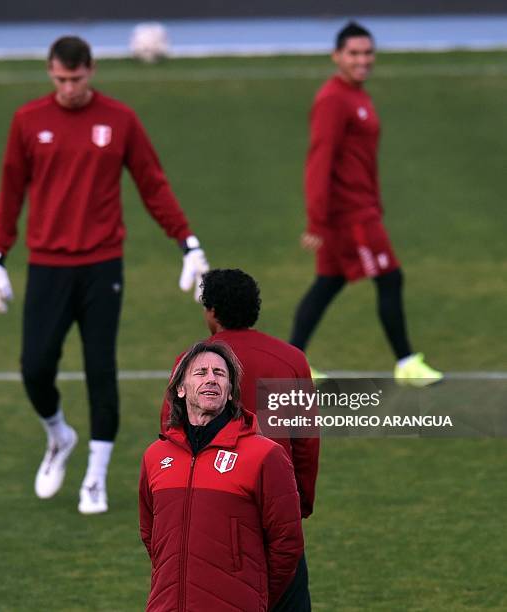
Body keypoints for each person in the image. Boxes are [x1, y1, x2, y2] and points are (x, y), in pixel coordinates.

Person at [0, 36, 209, 514]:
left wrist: (187, 242)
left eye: (76, 79)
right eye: (60, 79)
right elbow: (10, 191)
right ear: (50, 72)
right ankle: (59, 436)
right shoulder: (28, 121)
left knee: (100, 367)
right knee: (35, 367)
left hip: (103, 263)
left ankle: (95, 478)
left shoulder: (120, 119)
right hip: (47, 264)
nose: (68, 88)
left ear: (91, 71)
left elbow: (152, 183)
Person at [290, 22, 443, 387]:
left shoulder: (358, 95)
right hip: (349, 213)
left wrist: (376, 199)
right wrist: (316, 220)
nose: (363, 60)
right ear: (337, 56)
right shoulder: (333, 99)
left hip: (362, 206)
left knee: (327, 282)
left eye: (367, 53)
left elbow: (361, 157)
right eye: (354, 54)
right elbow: (319, 160)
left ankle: (290, 366)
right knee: (390, 278)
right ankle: (406, 362)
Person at [160, 268, 318, 611]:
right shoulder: (290, 361)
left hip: (213, 517)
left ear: (212, 312)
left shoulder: (190, 365)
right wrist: (299, 503)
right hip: (277, 512)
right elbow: (304, 442)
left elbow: (172, 438)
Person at [140, 341, 304, 611]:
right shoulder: (156, 456)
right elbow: (151, 534)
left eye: (220, 374)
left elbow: (287, 543)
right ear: (180, 389)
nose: (211, 379)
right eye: (201, 372)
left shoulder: (264, 455)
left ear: (230, 392)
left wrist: (254, 597)